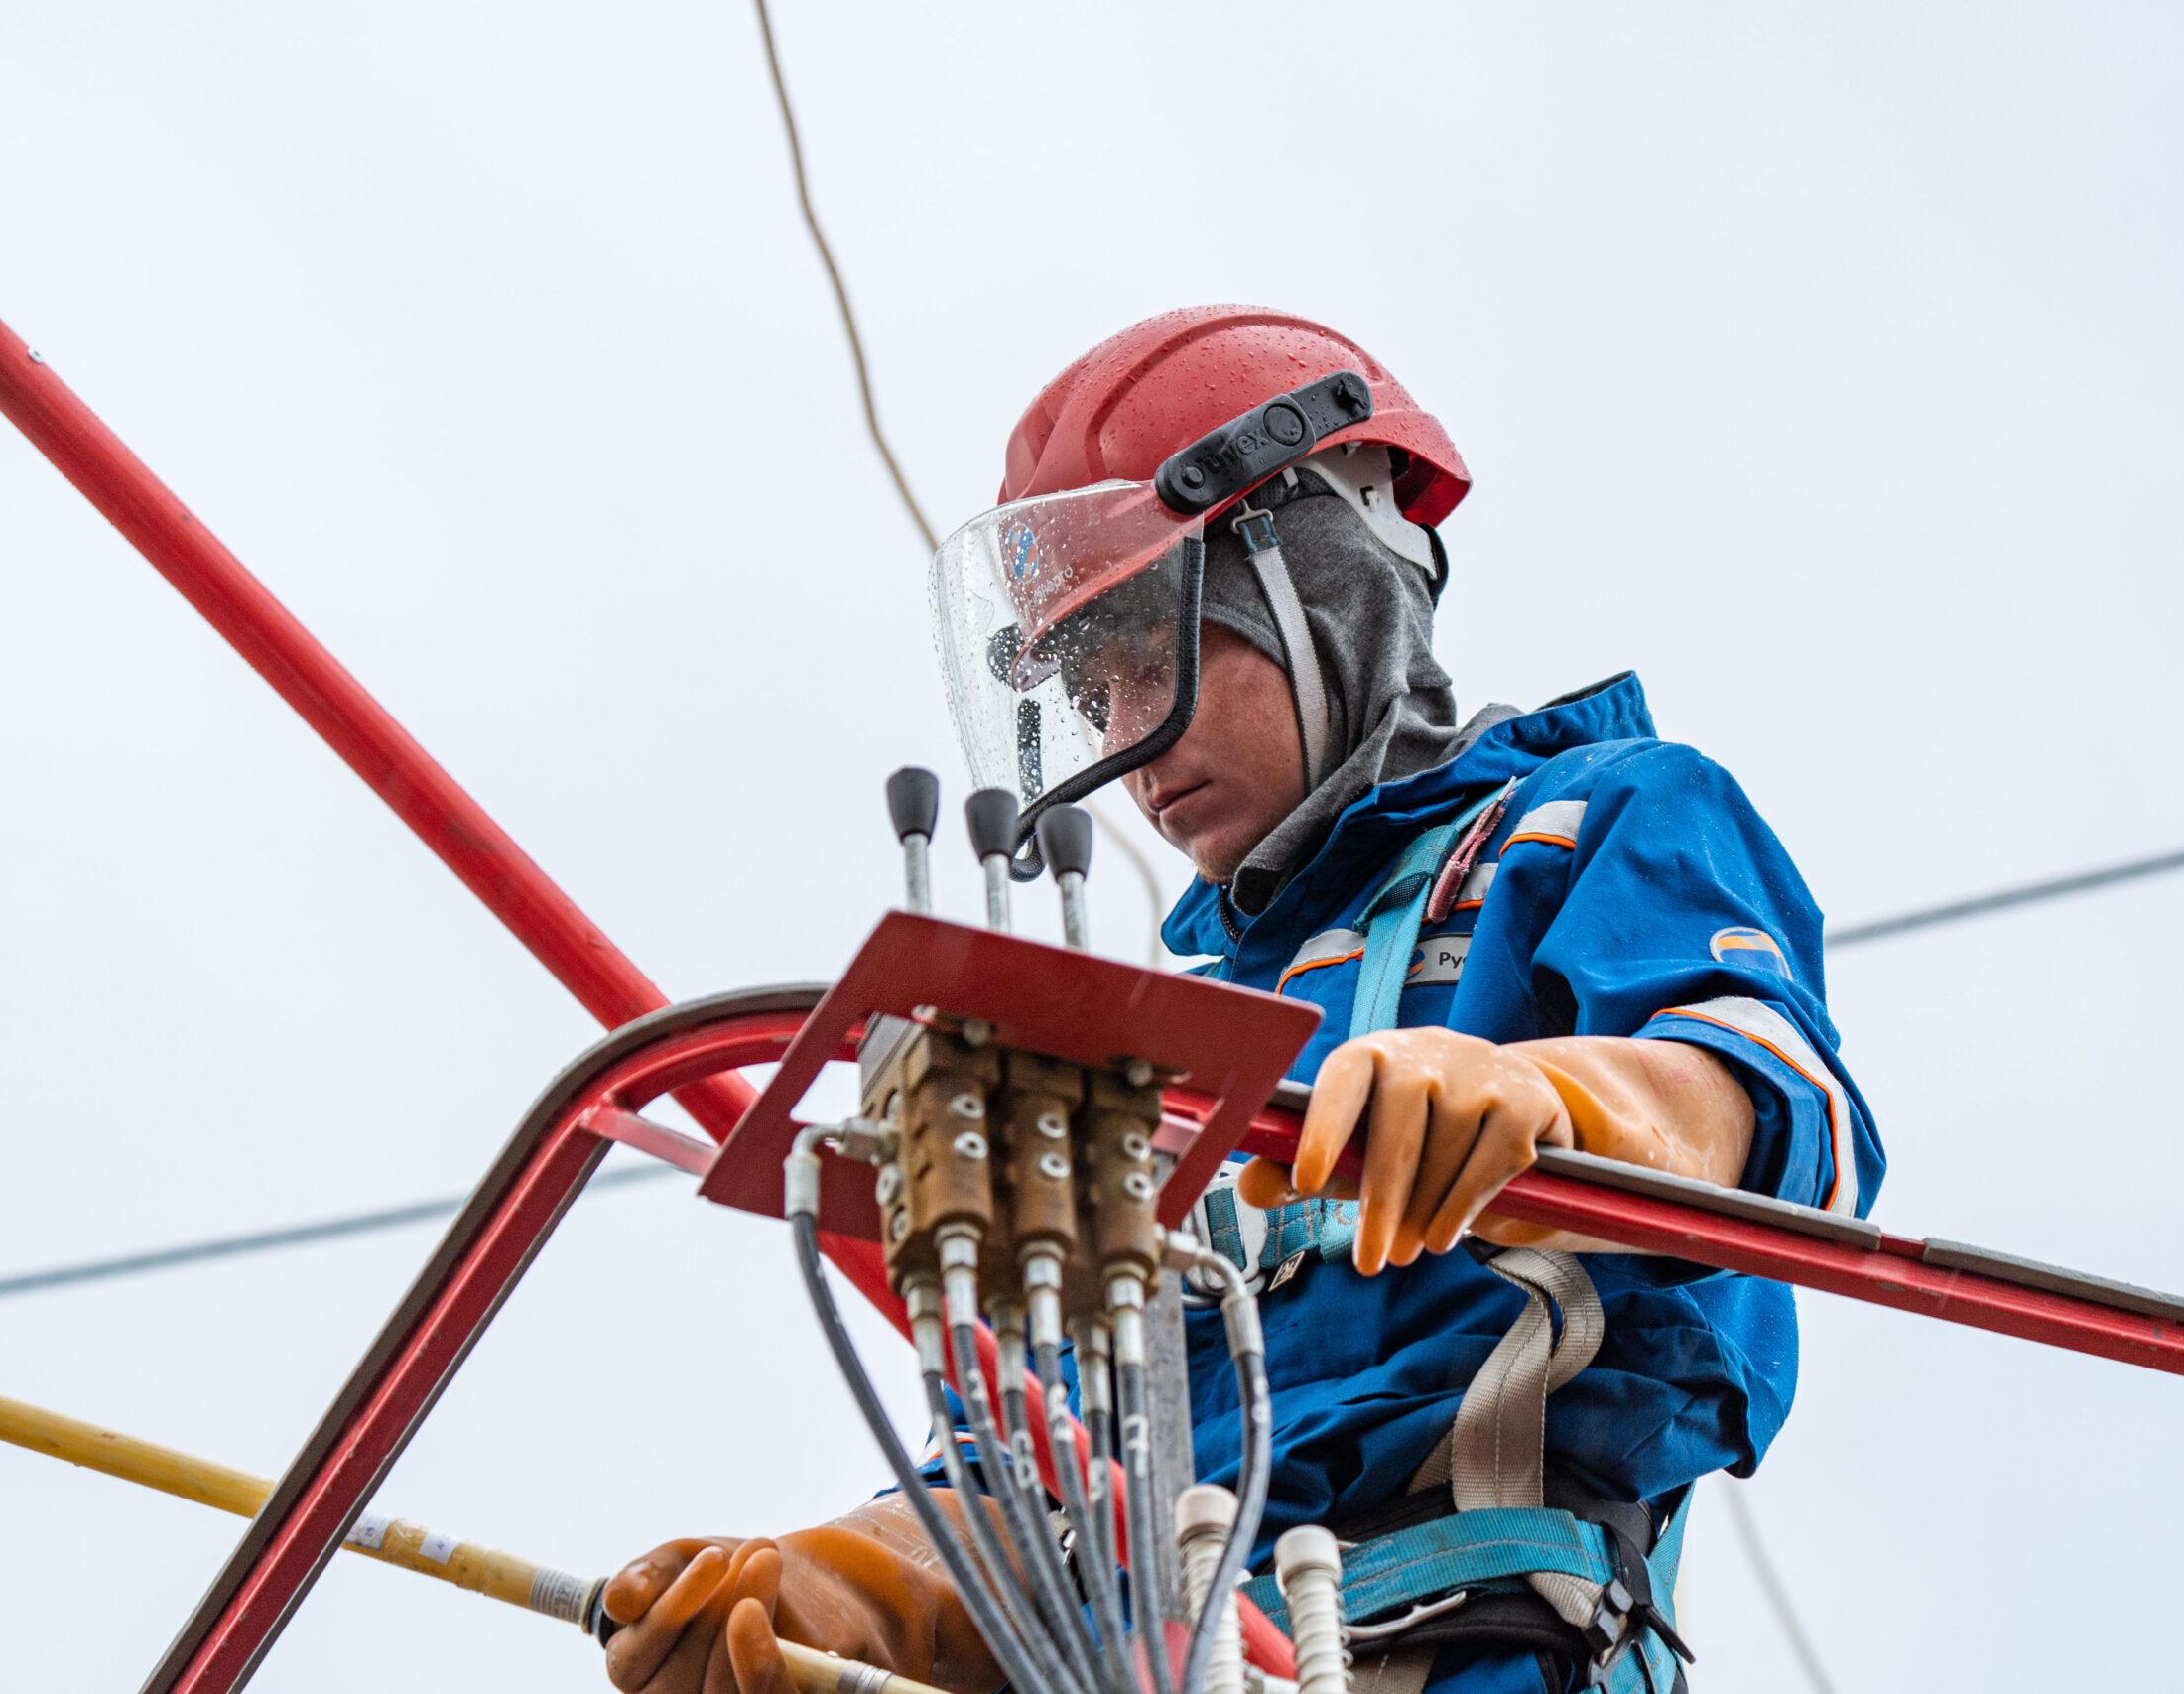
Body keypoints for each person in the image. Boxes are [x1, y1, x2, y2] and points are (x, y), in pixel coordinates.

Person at [600, 307, 1884, 1694]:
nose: (1127, 751)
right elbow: (1047, 1454)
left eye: (1155, 658)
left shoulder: (1592, 821)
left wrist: (1560, 1098)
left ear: (1320, 588)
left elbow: (1770, 1117)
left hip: (1480, 1645)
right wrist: (853, 1590)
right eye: (1092, 698)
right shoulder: (1179, 1045)